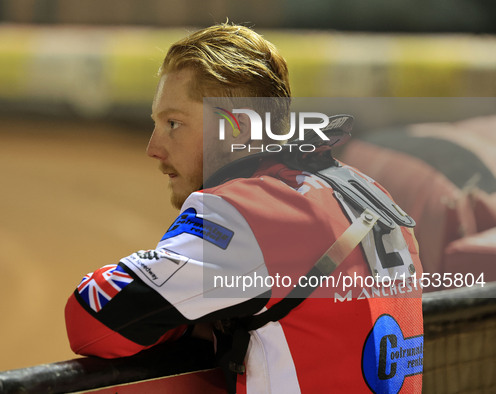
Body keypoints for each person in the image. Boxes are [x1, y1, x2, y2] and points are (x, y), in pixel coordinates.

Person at [65, 23, 424, 393]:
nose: (153, 148)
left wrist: (189, 319)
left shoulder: (247, 213)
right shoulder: (370, 193)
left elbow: (92, 321)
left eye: (174, 123)